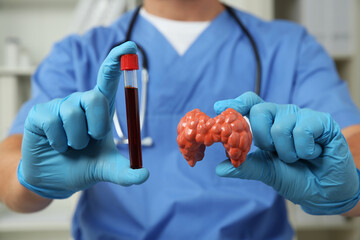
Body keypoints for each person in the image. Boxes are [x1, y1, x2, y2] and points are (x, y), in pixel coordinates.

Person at [1, 0, 360, 239]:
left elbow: (351, 143)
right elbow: (10, 166)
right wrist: (27, 178)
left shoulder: (290, 47)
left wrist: (349, 187)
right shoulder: (81, 52)